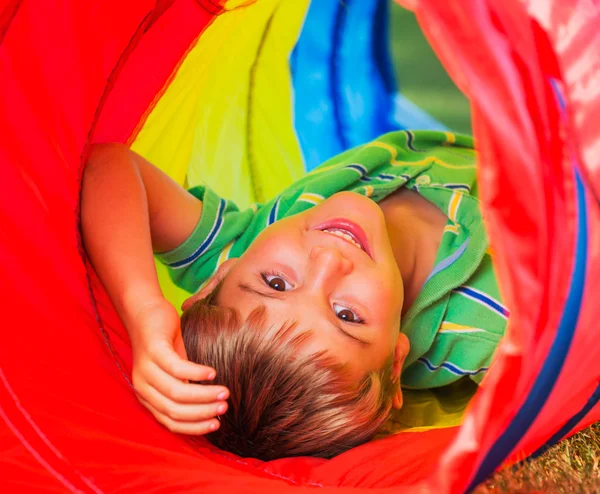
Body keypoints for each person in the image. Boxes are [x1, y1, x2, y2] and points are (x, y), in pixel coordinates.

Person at [81, 130, 507, 461]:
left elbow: (108, 166)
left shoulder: (238, 251)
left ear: (216, 277)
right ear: (395, 362)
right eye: (346, 315)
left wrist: (144, 311)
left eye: (277, 284)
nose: (327, 261)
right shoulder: (485, 326)